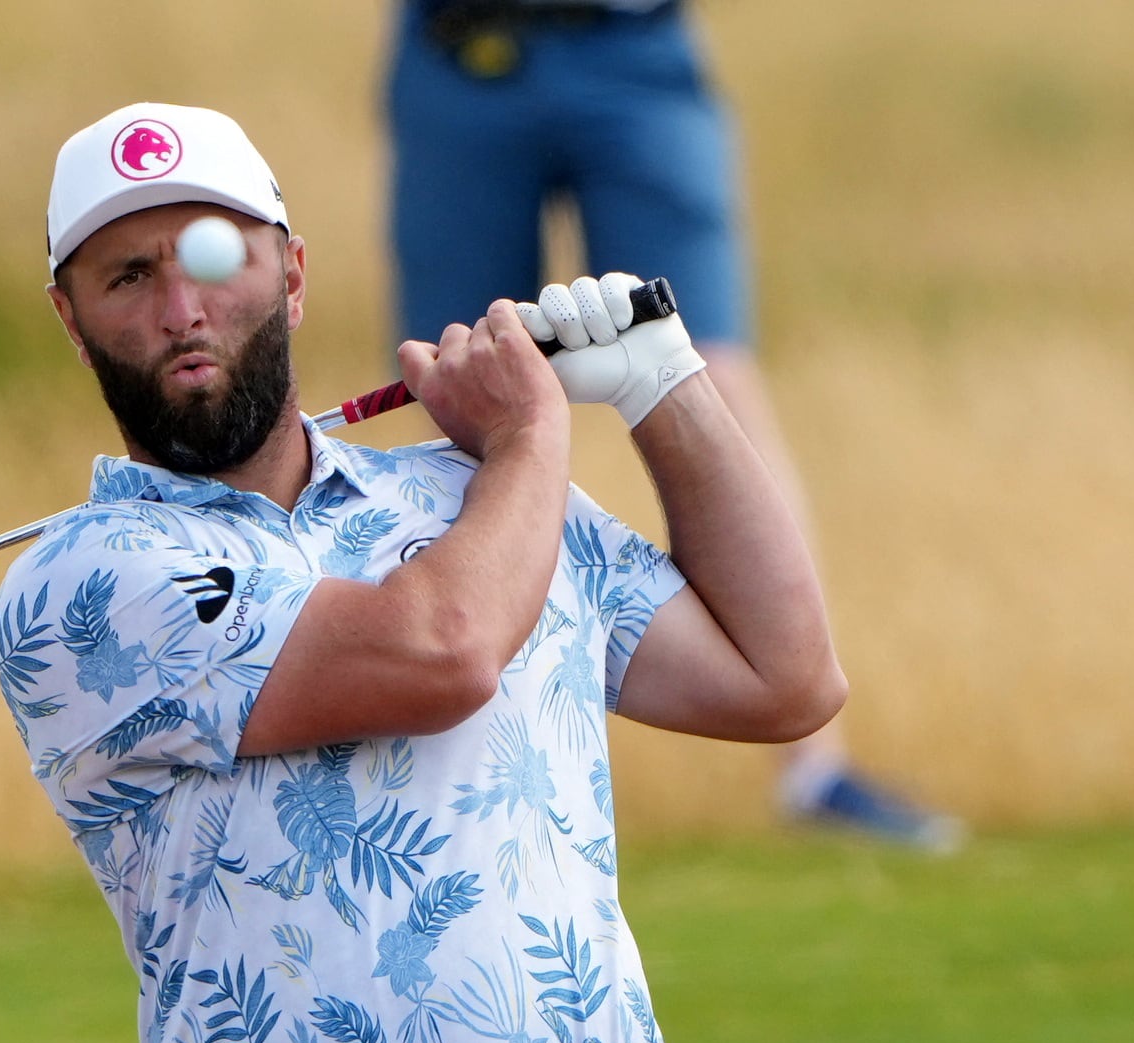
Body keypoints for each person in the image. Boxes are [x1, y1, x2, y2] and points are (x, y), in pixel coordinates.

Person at [0, 101, 845, 1043]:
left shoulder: (470, 497)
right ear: (72, 321)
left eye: (215, 255)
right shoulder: (80, 586)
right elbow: (440, 652)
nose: (181, 309)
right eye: (128, 277)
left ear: (292, 276)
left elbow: (780, 679)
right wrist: (531, 433)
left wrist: (662, 385)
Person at [387, 0, 962, 849]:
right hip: (458, 46)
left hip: (635, 43)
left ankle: (813, 769)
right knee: (456, 380)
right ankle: (455, 768)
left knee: (706, 367)